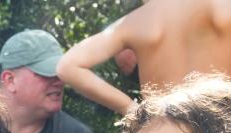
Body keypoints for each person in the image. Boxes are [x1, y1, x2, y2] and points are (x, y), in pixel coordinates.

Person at [56, 0, 231, 115]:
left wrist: (132, 109)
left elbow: (68, 66)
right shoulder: (222, 7)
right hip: (223, 124)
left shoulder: (138, 21)